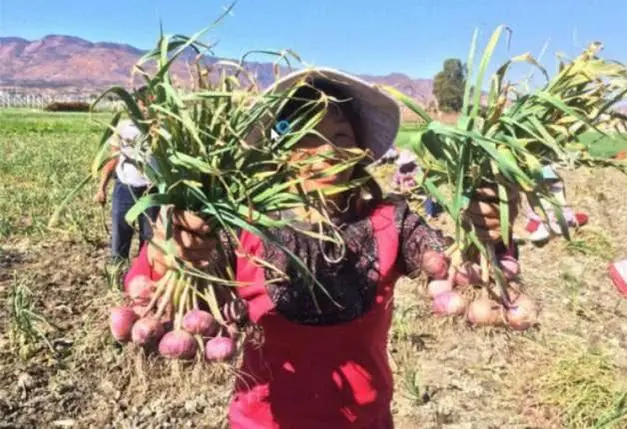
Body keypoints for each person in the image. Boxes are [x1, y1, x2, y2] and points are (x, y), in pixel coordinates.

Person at [123, 69, 516, 429]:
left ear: (359, 152)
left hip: (365, 421)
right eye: (307, 136)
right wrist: (168, 250)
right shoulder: (244, 225)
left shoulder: (389, 220)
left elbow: (444, 260)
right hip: (262, 421)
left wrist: (487, 230)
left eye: (341, 137)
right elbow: (153, 276)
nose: (325, 151)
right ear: (279, 150)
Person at [95, 86, 160, 262]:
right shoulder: (124, 128)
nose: (146, 107)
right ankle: (117, 273)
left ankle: (144, 275)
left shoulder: (163, 129)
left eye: (151, 103)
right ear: (135, 104)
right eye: (143, 103)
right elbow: (112, 158)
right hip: (125, 188)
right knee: (120, 233)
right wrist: (102, 188)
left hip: (152, 191)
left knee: (150, 237)